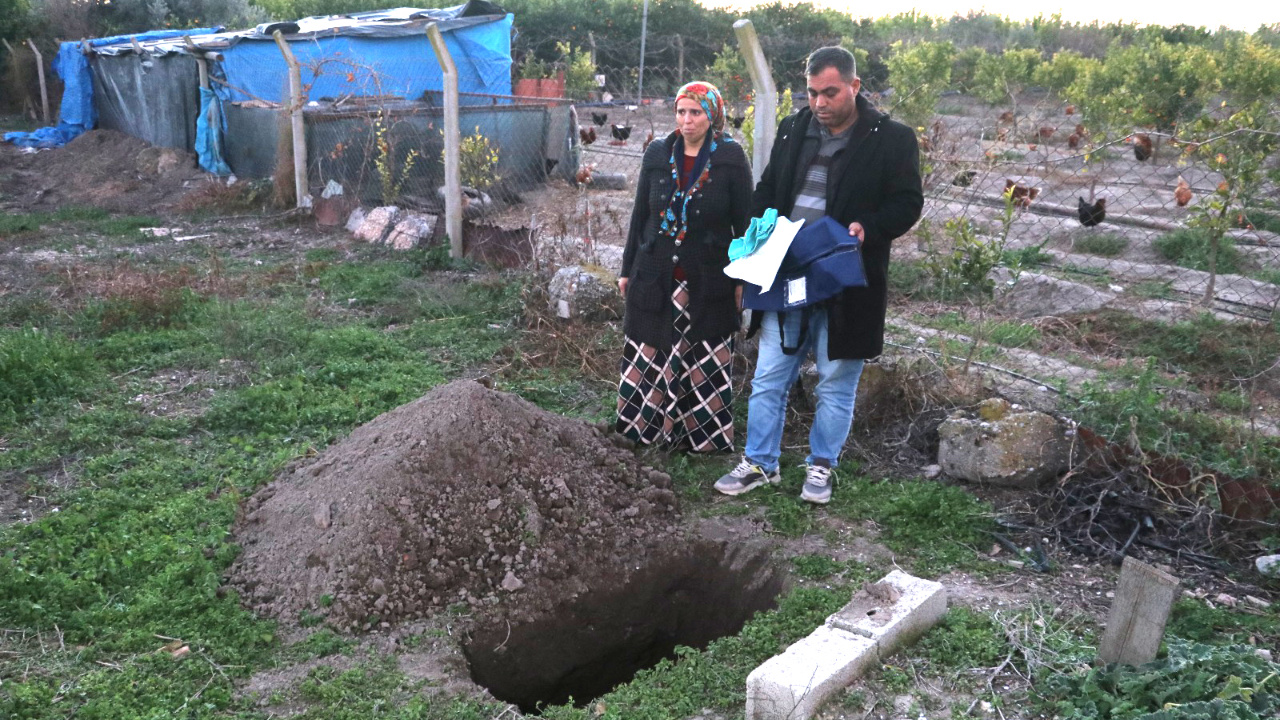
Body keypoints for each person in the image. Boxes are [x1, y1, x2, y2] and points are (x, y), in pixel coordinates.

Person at [715, 46, 924, 503]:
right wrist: (758, 237)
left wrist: (867, 227)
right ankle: (760, 463)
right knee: (770, 375)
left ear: (854, 86)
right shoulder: (794, 130)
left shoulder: (891, 139)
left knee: (834, 381)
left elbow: (908, 203)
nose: (820, 103)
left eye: (830, 93)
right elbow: (768, 189)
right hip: (786, 274)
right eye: (812, 93)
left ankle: (821, 467)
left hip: (847, 281)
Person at [616, 81, 753, 452]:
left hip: (708, 281)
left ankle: (701, 440)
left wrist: (744, 281)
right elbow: (640, 217)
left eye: (696, 112)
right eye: (681, 112)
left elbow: (745, 226)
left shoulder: (729, 158)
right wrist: (627, 269)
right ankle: (642, 431)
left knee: (704, 356)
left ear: (712, 115)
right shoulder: (658, 154)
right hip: (655, 277)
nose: (687, 120)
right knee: (649, 352)